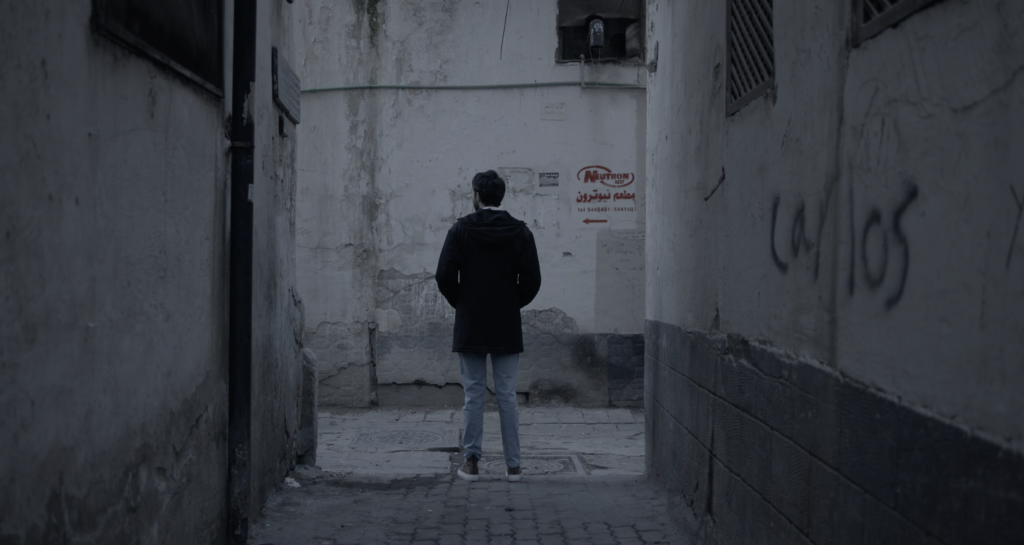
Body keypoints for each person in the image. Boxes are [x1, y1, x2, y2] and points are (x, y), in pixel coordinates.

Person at [435, 170, 542, 482]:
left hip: (471, 322)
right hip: (505, 322)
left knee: (473, 394)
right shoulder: (520, 232)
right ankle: (514, 466)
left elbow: (444, 275)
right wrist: (510, 303)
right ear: (501, 196)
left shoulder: (460, 230)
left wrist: (463, 302)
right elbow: (532, 280)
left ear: (477, 196)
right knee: (507, 394)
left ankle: (471, 463)